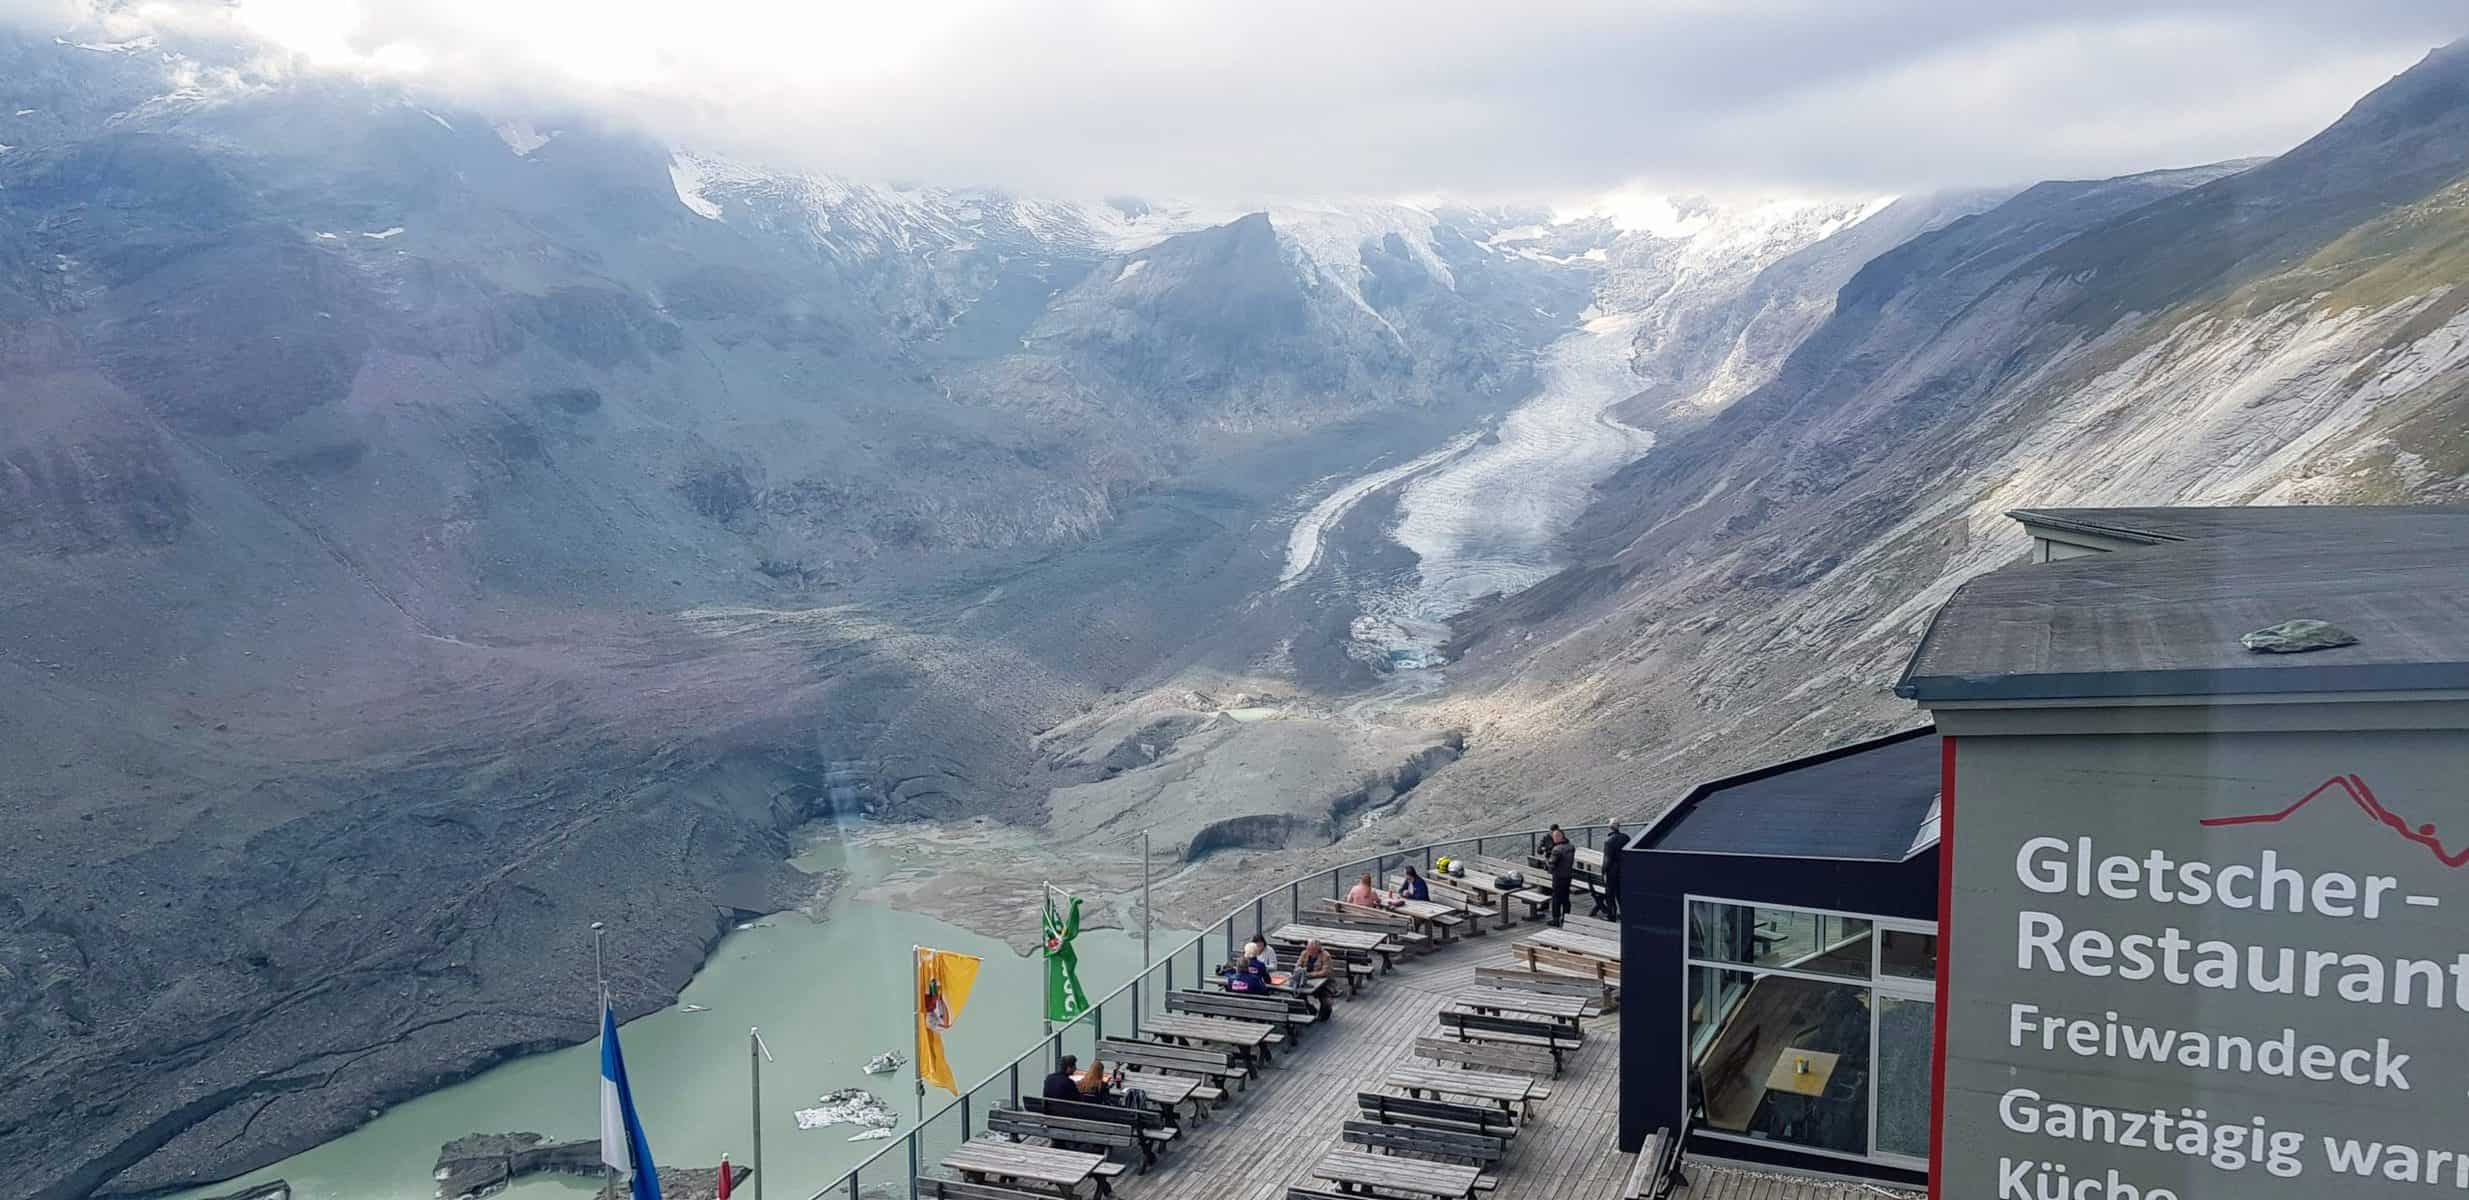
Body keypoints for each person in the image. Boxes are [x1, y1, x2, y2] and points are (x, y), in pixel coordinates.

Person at [1593, 822, 1629, 919]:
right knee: (1620, 893)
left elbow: (1607, 859)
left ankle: (1611, 914)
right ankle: (1625, 913)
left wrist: (1603, 872)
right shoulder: (1626, 837)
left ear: (1610, 828)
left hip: (1612, 871)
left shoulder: (1608, 842)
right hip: (1623, 869)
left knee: (1610, 894)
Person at [1294, 938, 1335, 1018]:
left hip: (1323, 983)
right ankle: (1310, 1009)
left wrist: (1310, 975)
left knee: (1326, 1000)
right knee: (1297, 994)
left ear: (1318, 949)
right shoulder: (1304, 953)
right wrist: (1300, 971)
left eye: (1313, 950)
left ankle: (1325, 1012)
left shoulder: (1326, 956)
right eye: (1309, 949)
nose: (1310, 952)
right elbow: (1297, 966)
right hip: (1305, 981)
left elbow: (1325, 972)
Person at [1546, 828, 1576, 926]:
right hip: (1568, 876)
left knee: (1556, 898)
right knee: (1566, 898)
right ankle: (1566, 918)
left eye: (1555, 837)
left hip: (1558, 877)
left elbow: (1551, 866)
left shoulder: (1557, 850)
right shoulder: (1571, 847)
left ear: (1560, 837)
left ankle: (1556, 919)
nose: (1553, 839)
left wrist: (1547, 861)